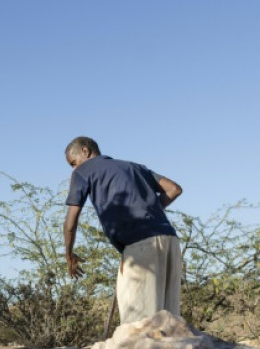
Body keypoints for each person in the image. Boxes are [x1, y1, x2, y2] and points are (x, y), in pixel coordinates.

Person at [62, 136, 184, 325]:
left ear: (85, 152)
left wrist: (69, 256)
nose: (74, 168)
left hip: (141, 247)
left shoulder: (82, 172)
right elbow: (174, 189)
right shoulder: (134, 167)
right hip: (170, 241)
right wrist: (148, 210)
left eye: (73, 163)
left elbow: (71, 222)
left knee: (138, 327)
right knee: (170, 325)